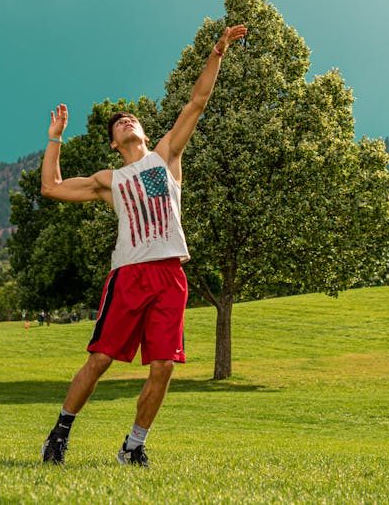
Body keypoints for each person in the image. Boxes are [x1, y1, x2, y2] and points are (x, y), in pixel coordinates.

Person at [40, 23, 247, 467]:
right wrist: (55, 137)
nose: (125, 121)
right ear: (115, 143)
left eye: (130, 119)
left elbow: (197, 102)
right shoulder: (109, 181)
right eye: (118, 124)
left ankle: (133, 446)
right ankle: (59, 433)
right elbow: (52, 188)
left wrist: (218, 52)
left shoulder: (166, 156)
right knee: (99, 362)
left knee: (164, 367)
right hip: (129, 276)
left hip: (170, 274)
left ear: (144, 133)